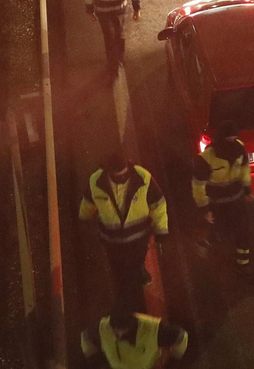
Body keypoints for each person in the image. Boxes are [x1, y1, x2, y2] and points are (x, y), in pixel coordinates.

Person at [79, 154, 168, 311]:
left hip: (139, 238)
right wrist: (84, 220)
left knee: (138, 257)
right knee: (116, 264)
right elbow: (87, 202)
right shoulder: (96, 181)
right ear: (107, 170)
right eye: (116, 175)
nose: (121, 177)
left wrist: (161, 231)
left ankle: (139, 270)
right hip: (111, 239)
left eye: (123, 173)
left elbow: (158, 204)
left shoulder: (143, 177)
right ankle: (122, 289)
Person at [193, 120, 252, 269]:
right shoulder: (207, 158)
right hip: (216, 202)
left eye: (234, 138)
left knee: (243, 231)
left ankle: (243, 264)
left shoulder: (239, 148)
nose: (232, 142)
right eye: (229, 139)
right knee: (215, 233)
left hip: (236, 199)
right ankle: (201, 251)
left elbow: (244, 169)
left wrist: (247, 190)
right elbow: (198, 186)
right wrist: (204, 210)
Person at [81, 311, 188, 369]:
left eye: (122, 332)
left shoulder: (154, 330)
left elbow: (181, 336)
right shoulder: (104, 328)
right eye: (115, 331)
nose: (118, 335)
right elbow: (85, 336)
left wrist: (171, 364)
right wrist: (95, 362)